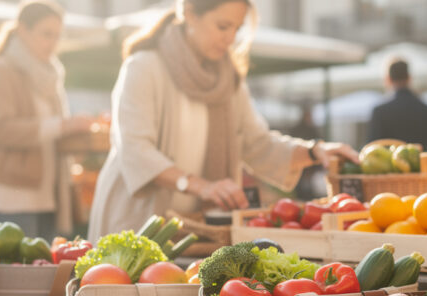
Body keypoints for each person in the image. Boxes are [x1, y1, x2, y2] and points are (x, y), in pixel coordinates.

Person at [87, 0, 357, 240]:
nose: (230, 38)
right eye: (223, 26)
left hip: (196, 231)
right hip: (135, 223)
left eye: (237, 29)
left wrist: (314, 151)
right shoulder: (143, 66)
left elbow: (258, 144)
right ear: (190, 13)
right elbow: (136, 150)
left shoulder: (229, 79)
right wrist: (202, 186)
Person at [0, 0, 94, 239]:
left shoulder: (50, 77)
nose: (53, 43)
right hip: (10, 201)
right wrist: (63, 126)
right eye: (46, 34)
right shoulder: (0, 72)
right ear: (22, 31)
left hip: (49, 200)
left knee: (48, 276)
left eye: (58, 36)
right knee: (14, 277)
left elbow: (55, 135)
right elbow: (1, 130)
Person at [367, 58, 427, 148]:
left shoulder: (380, 111)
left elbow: (373, 147)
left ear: (388, 79)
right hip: (423, 161)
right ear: (409, 78)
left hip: (391, 161)